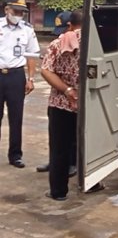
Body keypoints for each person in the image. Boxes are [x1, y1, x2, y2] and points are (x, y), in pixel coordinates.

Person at [41, 10, 82, 200]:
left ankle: (58, 192)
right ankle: (92, 181)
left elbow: (46, 71)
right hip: (90, 104)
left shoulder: (58, 44)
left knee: (59, 148)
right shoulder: (96, 45)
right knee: (89, 146)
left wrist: (67, 90)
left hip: (60, 104)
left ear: (70, 25)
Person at [0, 0, 40, 168]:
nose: (19, 15)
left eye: (22, 12)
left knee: (16, 117)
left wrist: (30, 78)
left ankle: (15, 155)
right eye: (16, 11)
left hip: (16, 76)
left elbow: (31, 55)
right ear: (6, 9)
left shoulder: (27, 29)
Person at [36, 11, 77, 177]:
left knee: (73, 136)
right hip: (57, 100)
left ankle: (72, 163)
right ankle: (56, 163)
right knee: (57, 136)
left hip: (73, 99)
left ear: (70, 25)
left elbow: (46, 71)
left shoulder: (85, 43)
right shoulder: (57, 44)